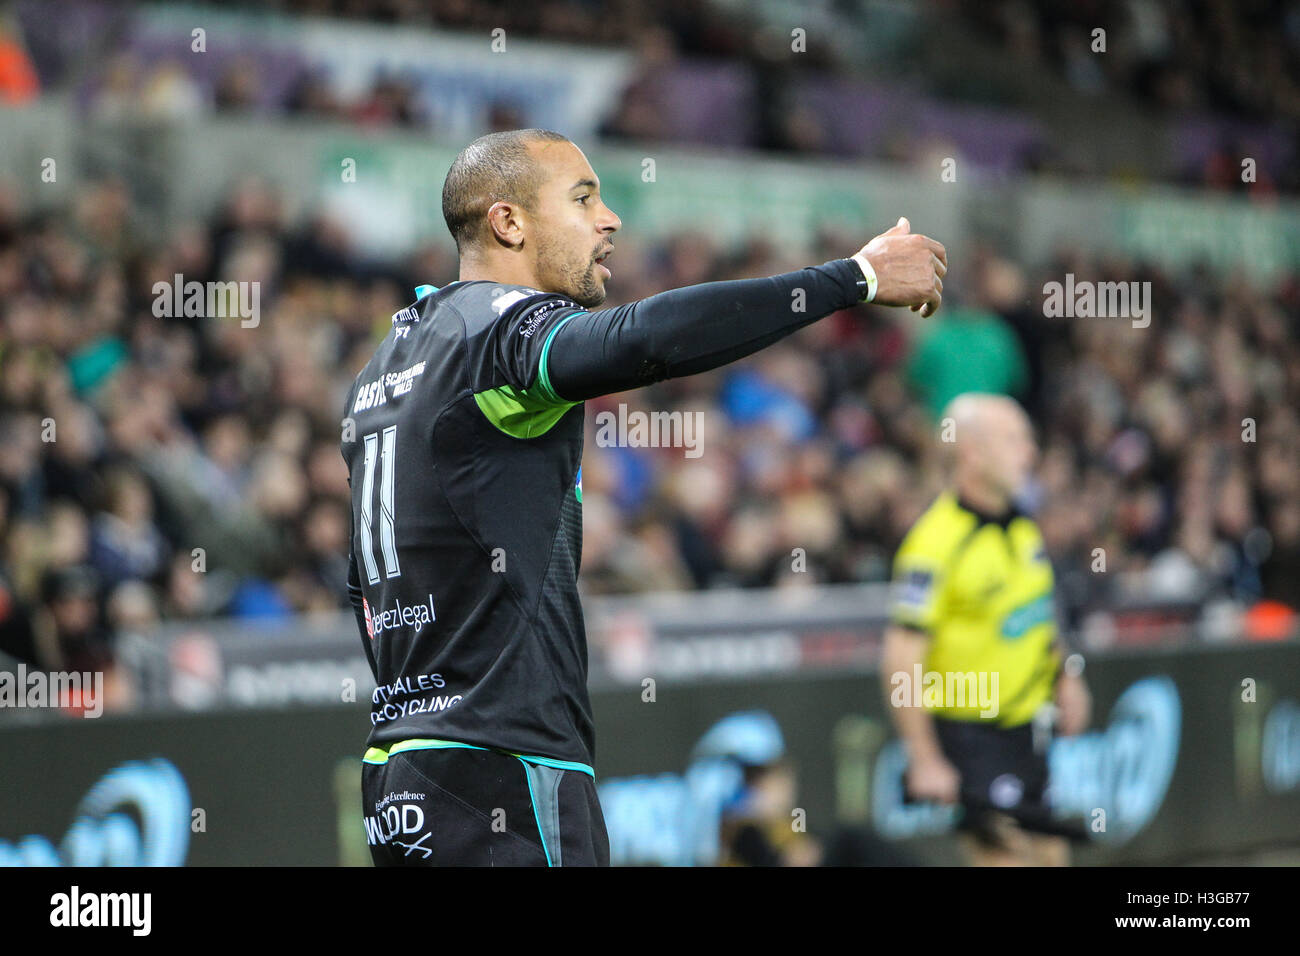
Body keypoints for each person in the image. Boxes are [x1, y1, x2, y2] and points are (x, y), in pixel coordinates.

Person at [343, 127, 946, 866]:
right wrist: (853, 278)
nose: (611, 219)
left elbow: (366, 584)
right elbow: (642, 338)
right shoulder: (496, 332)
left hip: (401, 775)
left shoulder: (390, 361)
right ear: (509, 222)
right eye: (583, 197)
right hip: (503, 764)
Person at [880, 393, 1091, 866]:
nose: (1029, 453)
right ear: (971, 452)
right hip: (973, 736)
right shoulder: (933, 545)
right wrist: (924, 756)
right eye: (1015, 439)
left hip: (1028, 731)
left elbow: (1041, 617)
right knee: (1006, 857)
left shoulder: (1023, 529)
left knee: (1051, 855)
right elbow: (901, 656)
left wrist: (1067, 676)